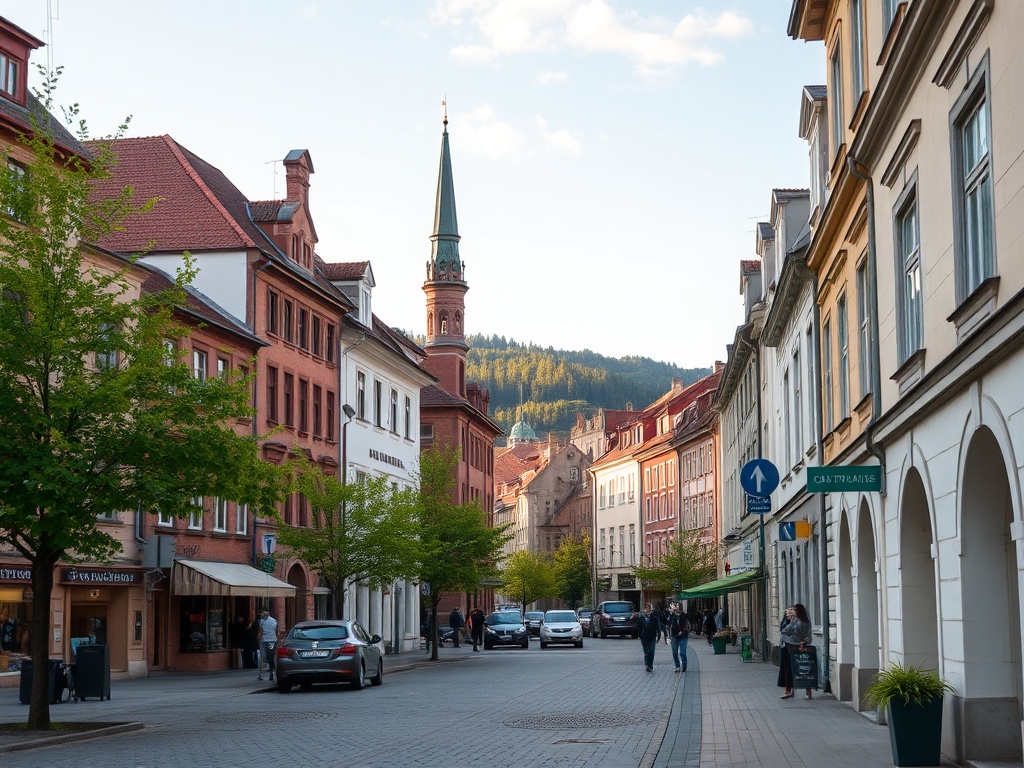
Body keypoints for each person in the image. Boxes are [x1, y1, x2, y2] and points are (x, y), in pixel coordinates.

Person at [778, 603, 814, 700]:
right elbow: (808, 636)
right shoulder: (807, 622)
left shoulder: (795, 622)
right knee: (805, 669)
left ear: (797, 611)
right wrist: (803, 641)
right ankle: (808, 692)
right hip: (803, 646)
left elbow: (784, 630)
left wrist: (788, 622)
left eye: (793, 610)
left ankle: (788, 690)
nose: (791, 612)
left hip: (790, 646)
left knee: (789, 669)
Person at [636, 603, 662, 672]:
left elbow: (658, 628)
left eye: (649, 608)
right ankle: (647, 665)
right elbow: (638, 627)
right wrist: (639, 635)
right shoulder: (641, 618)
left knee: (652, 652)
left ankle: (650, 665)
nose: (648, 609)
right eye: (646, 608)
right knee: (646, 652)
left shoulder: (654, 619)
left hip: (652, 637)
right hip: (644, 638)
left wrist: (658, 637)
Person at [665, 603, 690, 673]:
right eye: (676, 607)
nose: (677, 609)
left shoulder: (684, 616)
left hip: (683, 636)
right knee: (675, 652)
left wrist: (683, 631)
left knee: (682, 652)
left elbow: (688, 625)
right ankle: (677, 666)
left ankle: (684, 665)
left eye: (678, 607)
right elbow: (668, 623)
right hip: (674, 636)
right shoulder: (672, 616)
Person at [257, 608, 279, 682]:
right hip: (273, 641)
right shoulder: (274, 620)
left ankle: (261, 675)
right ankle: (274, 674)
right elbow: (277, 631)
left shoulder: (261, 621)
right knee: (272, 658)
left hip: (265, 641)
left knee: (263, 659)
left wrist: (259, 639)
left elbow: (260, 631)